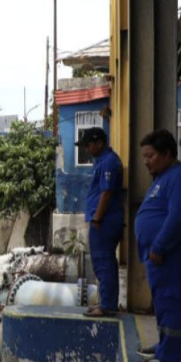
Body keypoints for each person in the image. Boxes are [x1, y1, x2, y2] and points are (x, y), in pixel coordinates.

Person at [134, 129, 181, 362]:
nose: (145, 161)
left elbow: (178, 219)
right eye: (145, 156)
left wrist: (159, 247)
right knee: (162, 302)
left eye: (150, 156)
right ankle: (165, 345)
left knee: (170, 301)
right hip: (161, 255)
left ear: (167, 154)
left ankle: (170, 356)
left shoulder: (180, 178)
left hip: (172, 254)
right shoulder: (164, 177)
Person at [77, 127, 123, 318]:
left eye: (88, 145)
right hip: (102, 220)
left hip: (104, 221)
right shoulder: (102, 162)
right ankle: (105, 302)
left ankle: (108, 306)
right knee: (101, 263)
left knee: (104, 263)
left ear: (99, 143)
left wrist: (97, 217)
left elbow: (106, 192)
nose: (87, 149)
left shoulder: (109, 162)